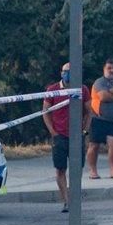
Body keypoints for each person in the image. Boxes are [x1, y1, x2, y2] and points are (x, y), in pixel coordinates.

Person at [43, 61, 82, 212]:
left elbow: (88, 111)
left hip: (76, 137)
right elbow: (45, 112)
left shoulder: (81, 89)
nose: (67, 74)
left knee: (76, 170)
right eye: (65, 71)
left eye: (70, 71)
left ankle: (74, 199)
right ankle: (66, 201)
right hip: (59, 136)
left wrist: (84, 130)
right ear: (61, 73)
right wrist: (53, 132)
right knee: (60, 169)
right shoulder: (52, 90)